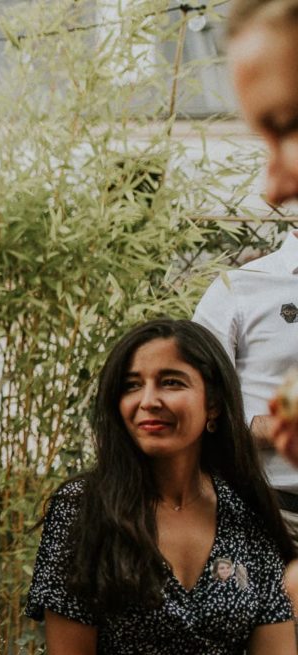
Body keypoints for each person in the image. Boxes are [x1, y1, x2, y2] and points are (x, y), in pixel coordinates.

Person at [26, 319, 297, 655]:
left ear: (213, 404)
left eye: (171, 382)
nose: (148, 401)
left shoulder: (247, 512)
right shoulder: (83, 509)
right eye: (132, 386)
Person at [194, 0, 298, 531]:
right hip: (267, 514)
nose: (272, 189)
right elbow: (191, 406)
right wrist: (260, 425)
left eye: (289, 127)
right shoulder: (240, 289)